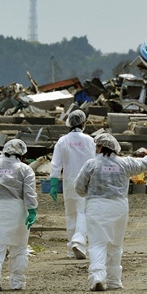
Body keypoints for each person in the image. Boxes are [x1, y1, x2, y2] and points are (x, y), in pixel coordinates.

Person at [75, 133, 147, 291]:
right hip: (119, 207)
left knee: (98, 243)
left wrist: (89, 192)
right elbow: (145, 162)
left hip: (97, 206)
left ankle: (98, 277)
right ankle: (114, 280)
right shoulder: (125, 163)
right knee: (115, 244)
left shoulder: (91, 164)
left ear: (100, 146)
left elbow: (79, 187)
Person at [0, 139, 38, 291]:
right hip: (17, 210)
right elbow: (29, 193)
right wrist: (32, 210)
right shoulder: (25, 169)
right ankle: (17, 282)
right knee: (19, 247)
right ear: (22, 154)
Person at [48, 109, 95, 259]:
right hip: (87, 181)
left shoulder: (63, 141)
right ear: (83, 123)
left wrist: (53, 183)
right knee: (84, 213)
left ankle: (71, 250)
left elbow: (56, 164)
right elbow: (96, 161)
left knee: (71, 215)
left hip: (69, 181)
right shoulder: (89, 140)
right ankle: (78, 241)